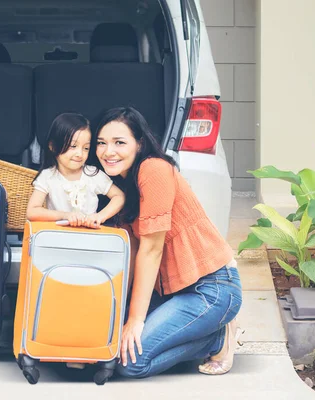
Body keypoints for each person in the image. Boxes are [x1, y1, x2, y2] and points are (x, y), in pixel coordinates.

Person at [90, 106, 243, 378]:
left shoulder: (154, 170)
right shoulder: (122, 186)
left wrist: (135, 321)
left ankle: (217, 336)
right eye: (101, 143)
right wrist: (119, 311)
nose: (107, 152)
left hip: (211, 290)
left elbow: (151, 249)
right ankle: (204, 329)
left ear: (139, 143)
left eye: (119, 142)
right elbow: (134, 253)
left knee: (129, 362)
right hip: (174, 293)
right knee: (108, 340)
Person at [26, 113, 125, 227]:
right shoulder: (48, 176)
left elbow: (119, 196)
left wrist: (99, 216)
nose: (80, 154)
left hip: (90, 237)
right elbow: (32, 211)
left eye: (86, 148)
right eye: (73, 146)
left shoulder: (93, 174)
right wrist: (65, 215)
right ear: (52, 146)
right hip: (59, 237)